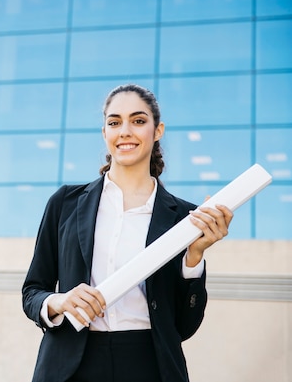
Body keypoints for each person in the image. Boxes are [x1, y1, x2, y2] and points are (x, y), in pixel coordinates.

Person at [22, 84, 234, 382]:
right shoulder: (65, 204)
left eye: (138, 121)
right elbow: (32, 292)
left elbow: (184, 326)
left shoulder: (186, 219)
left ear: (157, 130)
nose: (125, 131)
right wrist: (59, 301)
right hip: (71, 365)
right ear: (104, 132)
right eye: (114, 122)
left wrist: (194, 256)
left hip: (149, 363)